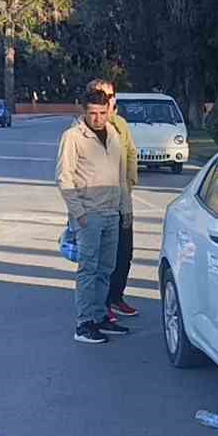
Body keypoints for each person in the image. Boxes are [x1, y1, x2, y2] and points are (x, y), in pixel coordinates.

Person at [57, 89, 130, 344]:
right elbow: (64, 177)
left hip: (112, 212)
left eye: (102, 112)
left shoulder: (112, 133)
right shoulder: (73, 137)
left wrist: (124, 207)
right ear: (83, 111)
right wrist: (80, 214)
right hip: (89, 215)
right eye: (92, 113)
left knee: (106, 269)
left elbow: (120, 174)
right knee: (88, 270)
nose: (98, 118)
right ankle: (84, 323)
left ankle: (100, 317)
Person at [86, 78, 141, 321]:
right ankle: (100, 304)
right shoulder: (86, 129)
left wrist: (129, 182)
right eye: (102, 95)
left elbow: (130, 153)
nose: (109, 100)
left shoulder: (120, 124)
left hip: (122, 199)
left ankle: (116, 296)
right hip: (98, 203)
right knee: (101, 258)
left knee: (124, 252)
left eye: (110, 96)